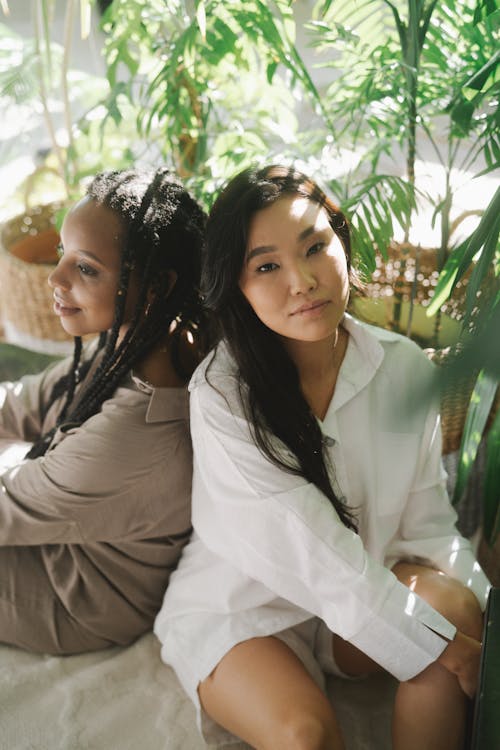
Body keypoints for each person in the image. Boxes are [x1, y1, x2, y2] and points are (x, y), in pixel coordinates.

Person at [154, 164, 491, 750]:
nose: (303, 280)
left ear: (342, 240)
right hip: (245, 607)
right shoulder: (221, 393)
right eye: (267, 266)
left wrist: (479, 618)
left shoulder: (403, 367)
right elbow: (313, 553)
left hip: (360, 602)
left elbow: (430, 528)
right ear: (236, 285)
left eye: (315, 246)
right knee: (307, 735)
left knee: (455, 608)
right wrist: (447, 647)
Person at [0, 167, 208, 655]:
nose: (55, 278)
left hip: (76, 597)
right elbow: (25, 401)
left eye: (86, 268)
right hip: (58, 521)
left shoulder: (135, 433)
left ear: (157, 285)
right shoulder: (145, 341)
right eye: (62, 256)